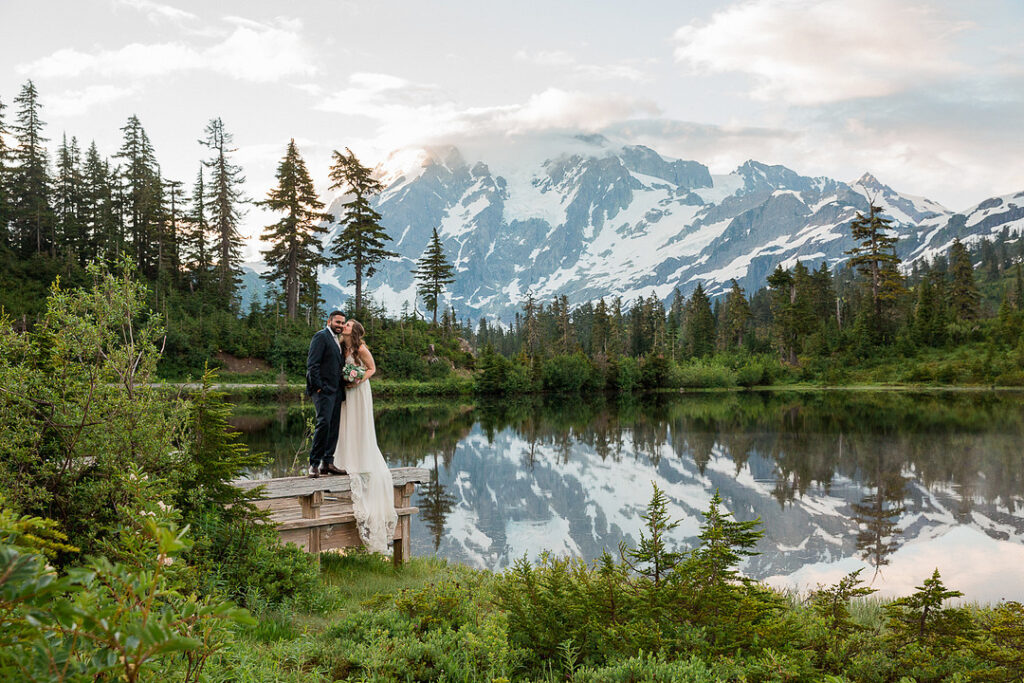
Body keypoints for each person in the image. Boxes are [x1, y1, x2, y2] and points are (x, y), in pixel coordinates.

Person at [332, 319, 397, 553]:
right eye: (344, 323)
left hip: (359, 391)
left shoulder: (360, 348)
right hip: (346, 393)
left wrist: (357, 378)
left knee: (359, 424)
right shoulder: (341, 346)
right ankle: (343, 459)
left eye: (348, 324)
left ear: (355, 331)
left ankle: (360, 458)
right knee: (344, 423)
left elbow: (372, 369)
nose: (345, 326)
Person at [305, 311, 348, 478]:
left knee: (333, 427)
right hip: (323, 391)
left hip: (336, 391)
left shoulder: (337, 339)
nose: (340, 325)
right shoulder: (321, 336)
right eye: (338, 322)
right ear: (329, 321)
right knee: (323, 424)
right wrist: (318, 387)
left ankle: (327, 463)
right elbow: (312, 364)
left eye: (343, 323)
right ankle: (314, 464)